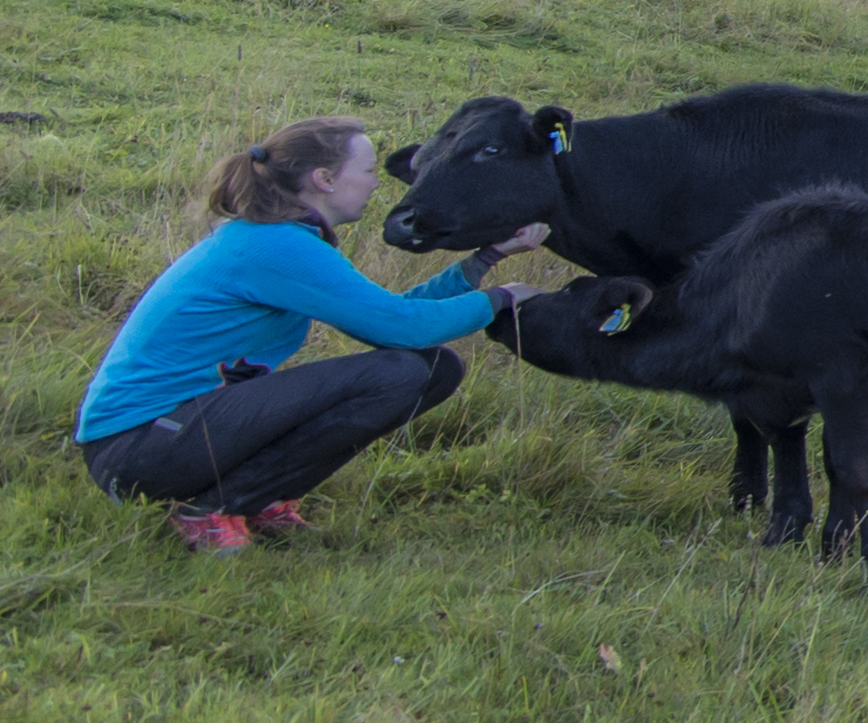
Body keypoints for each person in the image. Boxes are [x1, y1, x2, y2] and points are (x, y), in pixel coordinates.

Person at [74, 116, 542, 549]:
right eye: (368, 169)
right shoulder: (275, 245)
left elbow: (394, 317)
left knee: (435, 367)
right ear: (325, 179)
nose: (376, 182)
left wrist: (486, 259)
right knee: (399, 372)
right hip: (139, 450)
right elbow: (402, 328)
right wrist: (500, 298)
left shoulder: (278, 238)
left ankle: (254, 498)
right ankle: (211, 509)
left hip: (163, 441)